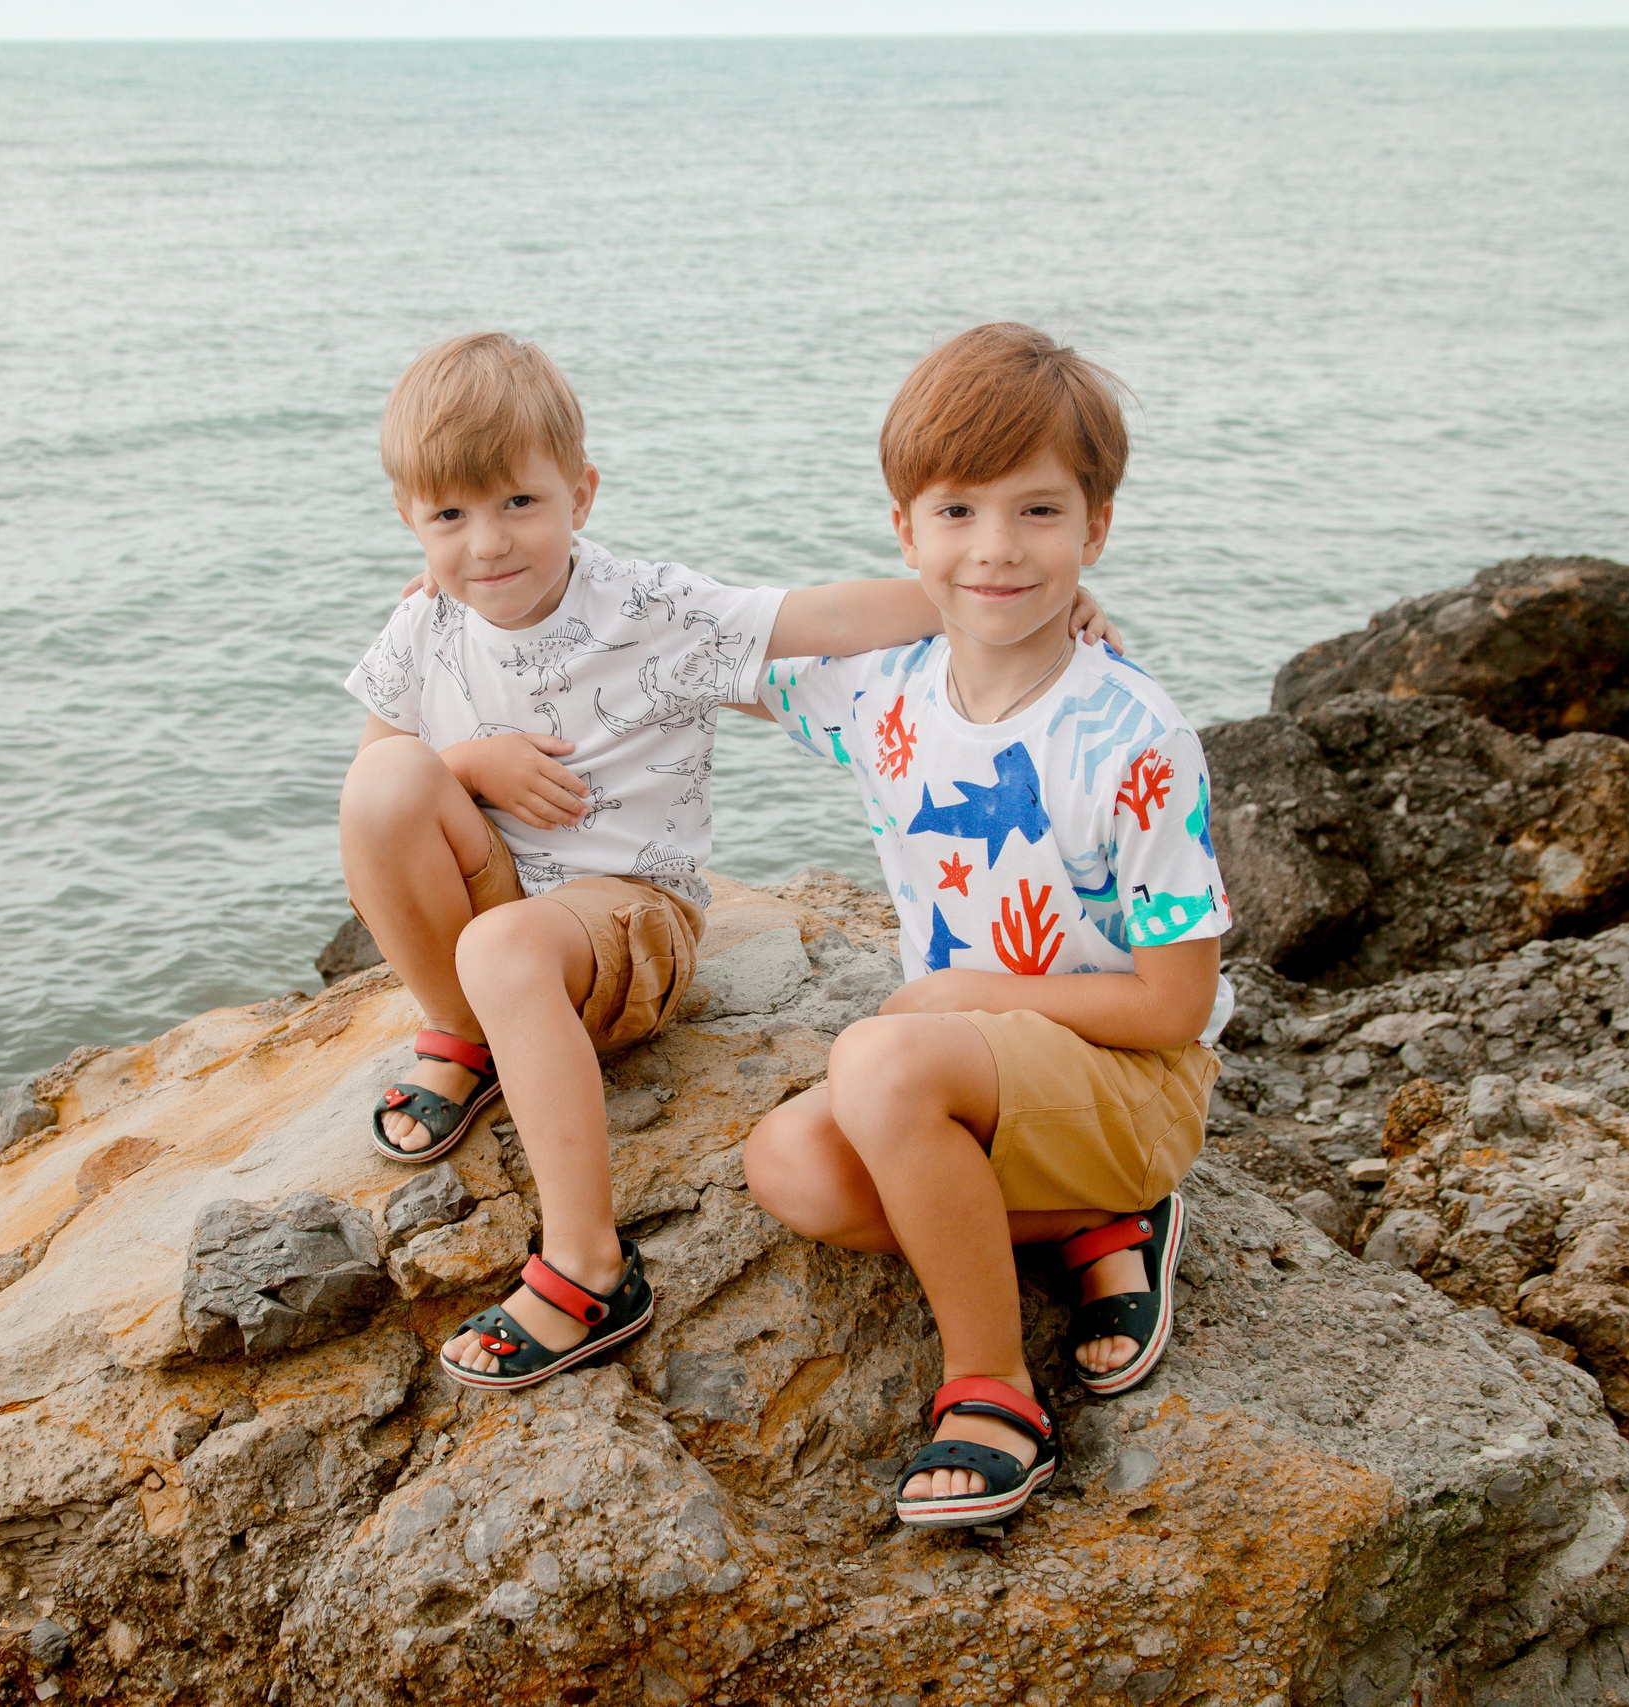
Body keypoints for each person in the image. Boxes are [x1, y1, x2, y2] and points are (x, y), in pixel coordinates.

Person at [338, 331, 1124, 1393]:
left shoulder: (651, 611)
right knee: (382, 789)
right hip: (495, 918)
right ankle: (466, 1038)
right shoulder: (423, 624)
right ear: (409, 520)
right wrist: (468, 761)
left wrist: (999, 594)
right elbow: (384, 774)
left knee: (510, 942)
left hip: (620, 921)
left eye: (518, 504)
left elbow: (825, 617)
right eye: (449, 516)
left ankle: (587, 1269)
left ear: (580, 492)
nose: (487, 543)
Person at [740, 323, 1231, 1529]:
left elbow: (1174, 1007)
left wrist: (960, 998)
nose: (997, 549)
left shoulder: (1135, 737)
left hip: (1134, 1077)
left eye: (1039, 514)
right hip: (976, 1082)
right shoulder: (881, 692)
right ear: (903, 530)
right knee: (790, 1166)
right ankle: (1099, 1228)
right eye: (955, 513)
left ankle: (993, 1387)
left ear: (1095, 529)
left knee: (884, 1056)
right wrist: (490, 588)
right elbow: (698, 642)